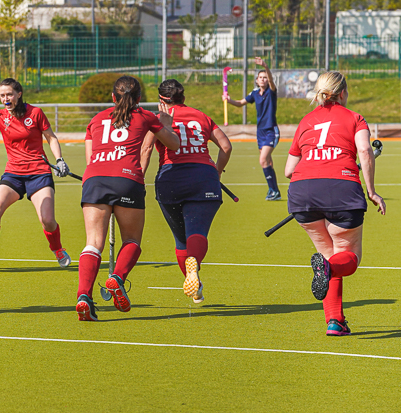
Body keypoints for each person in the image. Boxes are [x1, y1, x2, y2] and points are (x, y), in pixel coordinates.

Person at [284, 71, 385, 336]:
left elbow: (288, 170)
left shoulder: (306, 120)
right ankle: (327, 269)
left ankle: (335, 321)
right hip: (342, 189)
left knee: (330, 256)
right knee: (347, 257)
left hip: (302, 192)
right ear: (343, 93)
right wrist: (372, 191)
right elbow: (364, 150)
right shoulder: (355, 117)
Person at [75, 75, 180, 321]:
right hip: (127, 179)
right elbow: (173, 144)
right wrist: (166, 123)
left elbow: (90, 159)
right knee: (132, 240)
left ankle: (83, 296)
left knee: (93, 243)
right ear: (139, 98)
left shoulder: (96, 119)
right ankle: (117, 278)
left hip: (95, 179)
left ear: (113, 97)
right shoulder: (146, 116)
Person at [139, 79, 233, 304]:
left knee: (181, 240)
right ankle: (194, 266)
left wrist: (137, 179)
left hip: (170, 178)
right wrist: (217, 172)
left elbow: (146, 148)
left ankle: (194, 281)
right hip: (204, 177)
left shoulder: (158, 119)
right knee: (197, 232)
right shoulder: (201, 115)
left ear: (162, 100)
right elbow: (226, 146)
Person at [0, 77, 71, 271]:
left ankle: (57, 249)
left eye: (9, 94)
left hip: (39, 173)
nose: (6, 99)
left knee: (47, 221)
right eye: (2, 95)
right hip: (13, 174)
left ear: (19, 94)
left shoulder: (36, 113)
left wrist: (59, 160)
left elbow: (51, 138)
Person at [224, 57, 281, 200]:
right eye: (260, 77)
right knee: (268, 161)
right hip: (260, 131)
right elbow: (240, 103)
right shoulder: (255, 93)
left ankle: (273, 190)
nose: (263, 79)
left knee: (263, 160)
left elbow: (272, 82)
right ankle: (274, 190)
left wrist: (266, 66)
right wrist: (228, 100)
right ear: (256, 80)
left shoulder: (271, 91)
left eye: (265, 77)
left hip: (270, 131)